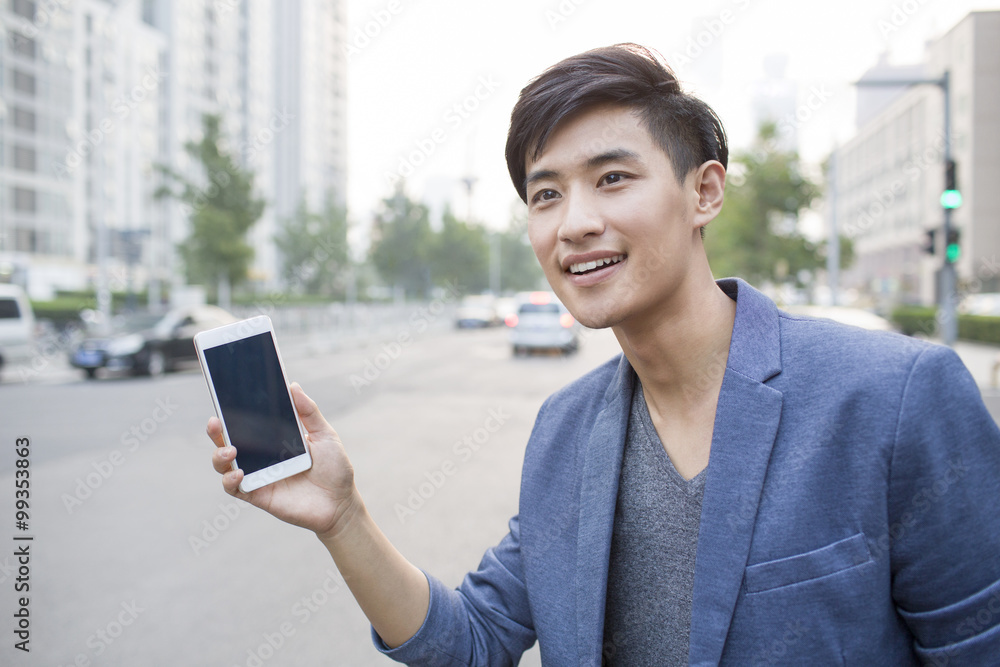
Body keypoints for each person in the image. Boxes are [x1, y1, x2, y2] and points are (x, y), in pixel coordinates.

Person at [208, 43, 1000, 665]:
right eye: (545, 194)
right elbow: (475, 640)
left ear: (704, 192)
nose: (573, 222)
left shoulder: (896, 399)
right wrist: (343, 518)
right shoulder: (565, 430)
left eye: (612, 177)